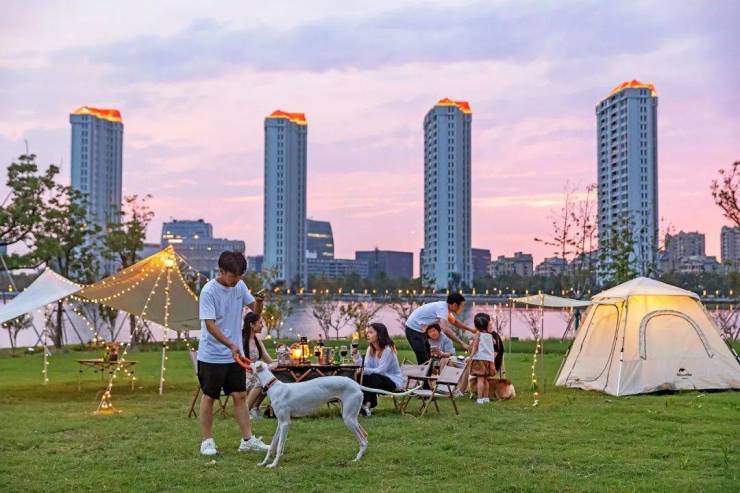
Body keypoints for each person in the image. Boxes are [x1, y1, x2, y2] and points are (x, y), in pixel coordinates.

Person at [196, 251, 269, 456]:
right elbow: (210, 325)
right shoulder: (209, 291)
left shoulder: (240, 286)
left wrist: (259, 302)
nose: (237, 279)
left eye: (240, 275)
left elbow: (254, 313)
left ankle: (247, 440)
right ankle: (207, 442)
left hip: (234, 355)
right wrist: (230, 344)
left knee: (240, 395)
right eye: (233, 275)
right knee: (210, 396)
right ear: (222, 271)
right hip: (212, 355)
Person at [352, 322, 403, 417]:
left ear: (379, 334)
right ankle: (362, 404)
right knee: (361, 375)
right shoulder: (371, 349)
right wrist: (356, 355)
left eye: (371, 332)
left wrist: (365, 370)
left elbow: (381, 371)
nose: (367, 335)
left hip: (392, 381)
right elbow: (365, 366)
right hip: (377, 380)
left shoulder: (388, 350)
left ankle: (367, 405)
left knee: (373, 376)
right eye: (367, 332)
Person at [404, 293, 472, 364]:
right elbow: (445, 329)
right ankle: (423, 370)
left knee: (428, 357)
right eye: (462, 306)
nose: (462, 308)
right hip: (413, 330)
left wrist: (470, 330)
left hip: (418, 331)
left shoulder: (444, 307)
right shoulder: (443, 309)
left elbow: (454, 322)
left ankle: (427, 370)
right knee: (423, 359)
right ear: (455, 305)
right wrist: (462, 343)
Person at [242, 312, 273, 419]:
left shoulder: (257, 340)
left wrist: (281, 360)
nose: (262, 325)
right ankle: (245, 412)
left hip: (254, 373)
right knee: (261, 381)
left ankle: (254, 408)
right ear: (251, 324)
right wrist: (248, 374)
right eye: (260, 323)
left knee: (270, 380)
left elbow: (268, 359)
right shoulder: (241, 340)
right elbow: (236, 362)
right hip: (241, 374)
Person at [469, 312, 496, 405]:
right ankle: (486, 398)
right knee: (485, 379)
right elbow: (492, 345)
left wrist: (471, 356)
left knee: (480, 379)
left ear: (477, 325)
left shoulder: (478, 335)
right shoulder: (490, 336)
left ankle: (480, 399)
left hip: (480, 359)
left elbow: (475, 346)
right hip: (489, 360)